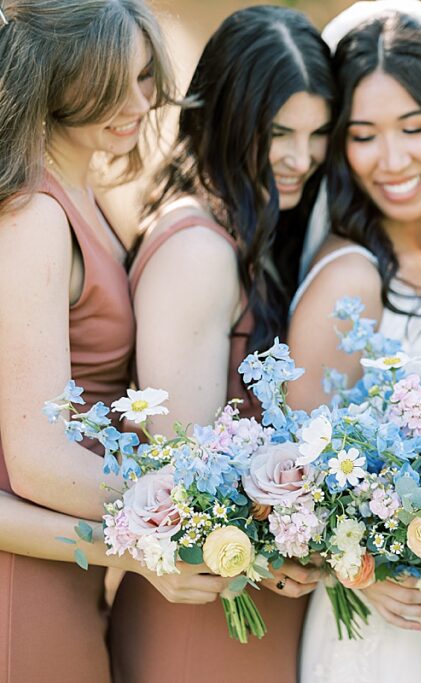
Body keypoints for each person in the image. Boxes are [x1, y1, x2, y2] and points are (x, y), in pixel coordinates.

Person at [107, 7, 335, 681]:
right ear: (229, 117)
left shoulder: (246, 228)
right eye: (278, 133)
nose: (302, 157)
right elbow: (189, 476)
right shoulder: (201, 249)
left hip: (248, 599)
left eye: (318, 134)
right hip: (203, 614)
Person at [289, 6, 421, 682]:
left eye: (414, 128)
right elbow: (298, 467)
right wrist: (356, 564)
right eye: (364, 135)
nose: (394, 159)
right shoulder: (350, 277)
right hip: (385, 625)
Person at [0, 2, 193, 679]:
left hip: (76, 555)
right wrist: (195, 505)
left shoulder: (88, 194)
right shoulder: (36, 215)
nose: (135, 102)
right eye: (107, 82)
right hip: (26, 572)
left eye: (144, 78)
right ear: (49, 75)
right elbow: (35, 458)